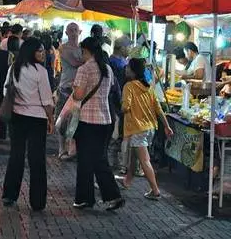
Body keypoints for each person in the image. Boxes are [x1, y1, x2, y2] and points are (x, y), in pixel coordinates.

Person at [72, 37, 124, 211]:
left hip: (87, 121)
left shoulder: (84, 69)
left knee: (87, 160)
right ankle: (110, 196)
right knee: (99, 158)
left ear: (86, 51)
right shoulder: (107, 69)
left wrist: (74, 89)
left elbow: (78, 95)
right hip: (105, 120)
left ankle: (87, 198)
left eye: (83, 52)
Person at [1, 38, 54, 210]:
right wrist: (51, 119)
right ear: (31, 51)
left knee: (16, 155)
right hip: (37, 118)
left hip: (17, 116)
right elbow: (47, 100)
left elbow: (6, 90)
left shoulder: (14, 68)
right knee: (37, 159)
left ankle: (10, 194)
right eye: (39, 50)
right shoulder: (41, 71)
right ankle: (37, 201)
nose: (42, 53)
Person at [120, 58, 173, 199]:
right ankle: (127, 180)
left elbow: (126, 107)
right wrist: (167, 126)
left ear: (132, 71)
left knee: (144, 160)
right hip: (150, 128)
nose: (125, 70)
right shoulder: (149, 87)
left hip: (138, 128)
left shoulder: (129, 87)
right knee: (134, 155)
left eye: (127, 68)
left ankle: (155, 191)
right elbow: (159, 109)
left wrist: (123, 107)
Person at [56, 23, 83, 160]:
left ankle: (73, 149)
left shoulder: (82, 49)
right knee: (63, 120)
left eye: (75, 30)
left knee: (77, 120)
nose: (73, 33)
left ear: (80, 32)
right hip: (66, 87)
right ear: (66, 33)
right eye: (70, 30)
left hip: (80, 89)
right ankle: (62, 149)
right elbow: (75, 63)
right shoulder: (64, 48)